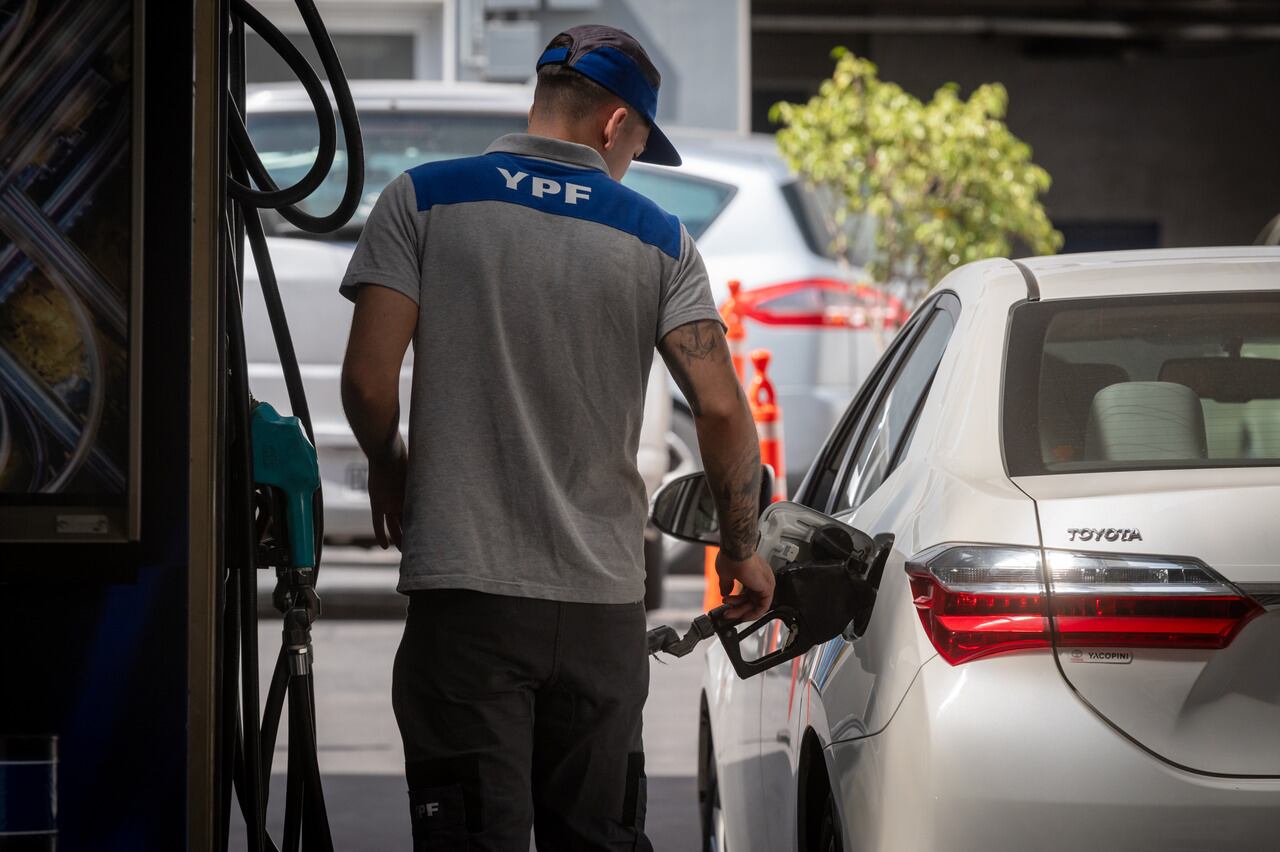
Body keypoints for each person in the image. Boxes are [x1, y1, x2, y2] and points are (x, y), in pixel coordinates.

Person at [339, 24, 774, 851]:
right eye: (640, 144)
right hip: (601, 609)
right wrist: (742, 548)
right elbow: (720, 411)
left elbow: (367, 382)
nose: (632, 162)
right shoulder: (660, 239)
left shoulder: (424, 199)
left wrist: (389, 467)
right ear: (616, 125)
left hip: (465, 600)